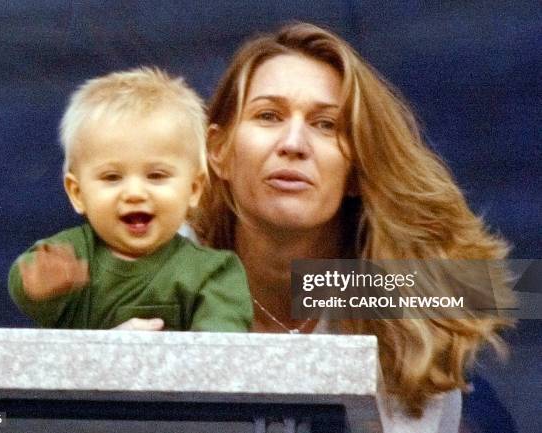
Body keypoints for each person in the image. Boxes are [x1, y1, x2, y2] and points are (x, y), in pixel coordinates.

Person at [189, 22, 514, 432]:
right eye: (268, 115)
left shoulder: (381, 292)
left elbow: (502, 288)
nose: (293, 143)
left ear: (358, 171)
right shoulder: (164, 267)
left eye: (326, 124)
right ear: (218, 150)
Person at [8, 68, 252, 332]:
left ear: (194, 188)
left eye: (156, 176)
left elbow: (223, 350)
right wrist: (41, 286)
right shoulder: (74, 255)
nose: (134, 193)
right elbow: (26, 281)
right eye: (112, 177)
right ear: (77, 193)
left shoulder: (216, 272)